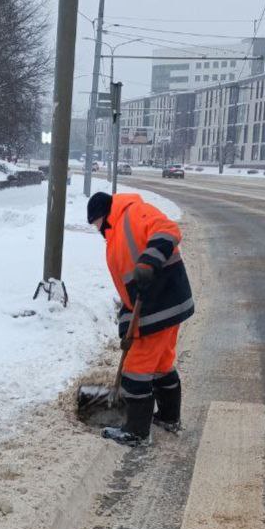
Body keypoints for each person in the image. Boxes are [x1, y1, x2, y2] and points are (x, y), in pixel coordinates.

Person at [87, 191, 194, 447]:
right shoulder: (115, 234)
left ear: (102, 215)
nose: (97, 230)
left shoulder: (132, 212)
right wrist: (126, 316)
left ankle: (136, 432)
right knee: (161, 364)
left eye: (95, 224)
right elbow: (129, 286)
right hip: (163, 306)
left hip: (159, 306)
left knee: (136, 369)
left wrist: (149, 262)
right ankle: (169, 417)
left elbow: (167, 229)